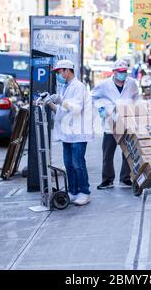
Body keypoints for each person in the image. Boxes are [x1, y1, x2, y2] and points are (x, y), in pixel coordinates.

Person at [42, 60, 93, 206]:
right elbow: (61, 111)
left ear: (67, 70)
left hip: (78, 133)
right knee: (69, 164)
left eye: (59, 72)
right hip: (68, 133)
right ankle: (73, 191)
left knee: (78, 164)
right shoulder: (66, 87)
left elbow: (76, 108)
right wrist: (49, 102)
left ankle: (84, 192)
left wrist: (61, 100)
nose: (58, 75)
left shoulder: (79, 87)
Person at [91, 60, 139, 190]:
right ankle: (107, 180)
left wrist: (131, 108)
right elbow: (93, 97)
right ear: (114, 72)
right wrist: (102, 109)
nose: (122, 74)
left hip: (126, 122)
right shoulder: (104, 84)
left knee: (127, 152)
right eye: (120, 72)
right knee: (108, 153)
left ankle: (125, 178)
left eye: (124, 72)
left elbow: (136, 97)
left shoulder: (132, 83)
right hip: (110, 123)